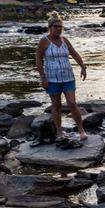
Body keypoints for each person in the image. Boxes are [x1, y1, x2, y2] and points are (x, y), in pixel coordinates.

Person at [35, 13, 88, 141]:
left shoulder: (64, 40)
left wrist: (82, 66)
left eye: (60, 26)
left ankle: (81, 130)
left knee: (72, 103)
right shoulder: (44, 41)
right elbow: (38, 58)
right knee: (56, 106)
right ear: (50, 27)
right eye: (56, 26)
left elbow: (74, 54)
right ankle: (59, 133)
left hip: (68, 77)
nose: (59, 28)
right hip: (52, 79)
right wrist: (43, 77)